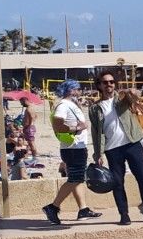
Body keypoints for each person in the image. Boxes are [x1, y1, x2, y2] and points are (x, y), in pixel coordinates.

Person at [89, 71, 143, 225]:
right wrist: (98, 153)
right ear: (99, 85)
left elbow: (135, 96)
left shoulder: (121, 99)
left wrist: (131, 91)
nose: (109, 85)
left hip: (132, 143)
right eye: (105, 82)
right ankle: (124, 214)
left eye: (112, 82)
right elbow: (97, 132)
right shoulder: (95, 108)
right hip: (112, 149)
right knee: (118, 183)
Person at [42, 80, 100, 226]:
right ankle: (53, 207)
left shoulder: (71, 105)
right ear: (71, 90)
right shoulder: (64, 105)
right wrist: (76, 128)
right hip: (73, 148)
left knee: (78, 178)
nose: (80, 92)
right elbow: (57, 124)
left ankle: (83, 209)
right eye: (78, 89)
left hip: (76, 147)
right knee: (74, 179)